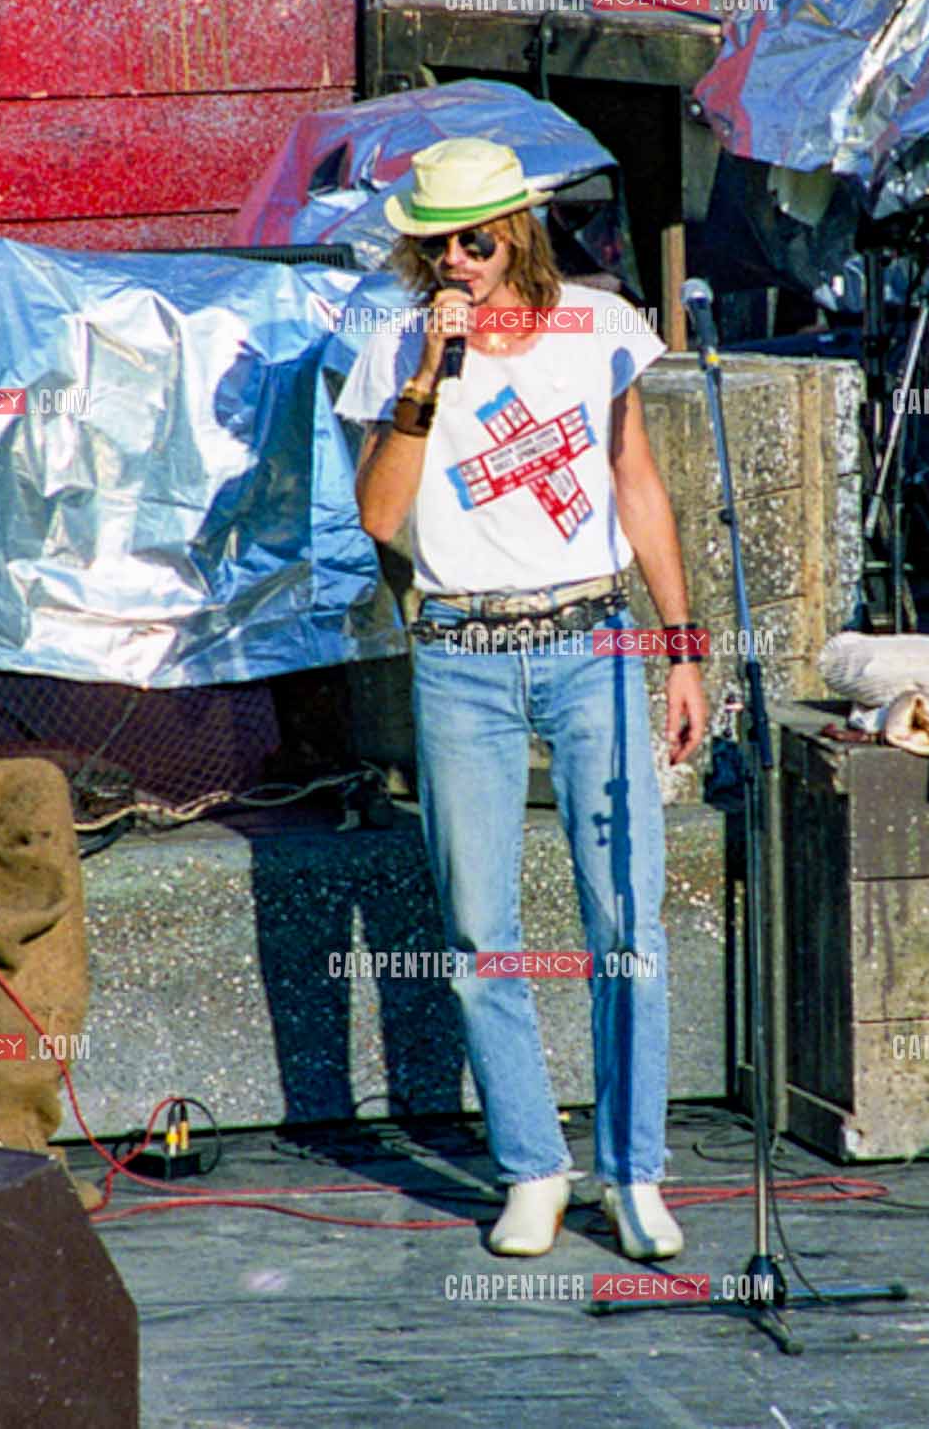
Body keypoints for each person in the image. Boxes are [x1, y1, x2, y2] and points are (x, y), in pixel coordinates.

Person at [337, 137, 707, 1259]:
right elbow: (378, 517)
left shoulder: (599, 327)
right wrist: (426, 379)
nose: (457, 260)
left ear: (517, 231)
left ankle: (634, 1173)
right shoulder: (396, 346)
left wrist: (682, 648)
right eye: (436, 243)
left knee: (626, 919)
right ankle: (532, 1168)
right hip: (463, 655)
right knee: (478, 930)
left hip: (592, 640)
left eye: (475, 239)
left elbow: (636, 483)